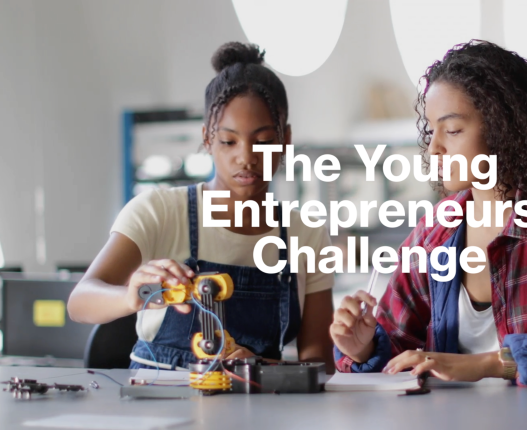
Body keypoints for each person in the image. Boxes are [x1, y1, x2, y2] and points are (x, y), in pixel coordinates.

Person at [330, 40, 527, 385]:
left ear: (504, 130)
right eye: (431, 130)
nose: (434, 147)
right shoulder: (434, 233)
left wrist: (495, 364)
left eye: (452, 130)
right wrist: (364, 348)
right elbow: (403, 349)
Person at [68, 42, 335, 371]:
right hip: (159, 407)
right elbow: (80, 302)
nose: (246, 157)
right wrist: (129, 296)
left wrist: (261, 367)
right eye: (228, 141)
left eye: (264, 141)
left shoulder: (305, 235)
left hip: (260, 411)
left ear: (286, 139)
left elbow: (318, 364)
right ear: (207, 138)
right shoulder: (159, 212)